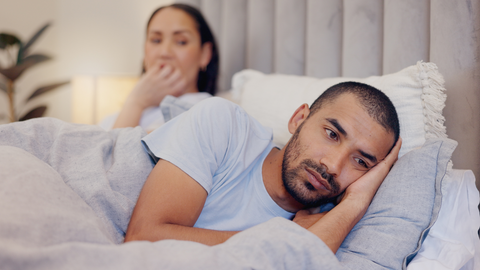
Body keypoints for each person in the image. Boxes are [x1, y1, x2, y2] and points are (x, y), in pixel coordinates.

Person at [125, 81, 402, 253]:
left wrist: (356, 202)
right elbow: (143, 238)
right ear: (298, 119)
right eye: (331, 134)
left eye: (360, 162)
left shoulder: (327, 223)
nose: (332, 165)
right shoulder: (225, 124)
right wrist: (287, 239)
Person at [99, 4, 219, 132]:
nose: (164, 52)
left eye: (181, 42)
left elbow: (126, 151)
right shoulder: (112, 119)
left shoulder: (206, 113)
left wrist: (136, 102)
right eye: (156, 40)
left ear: (205, 54)